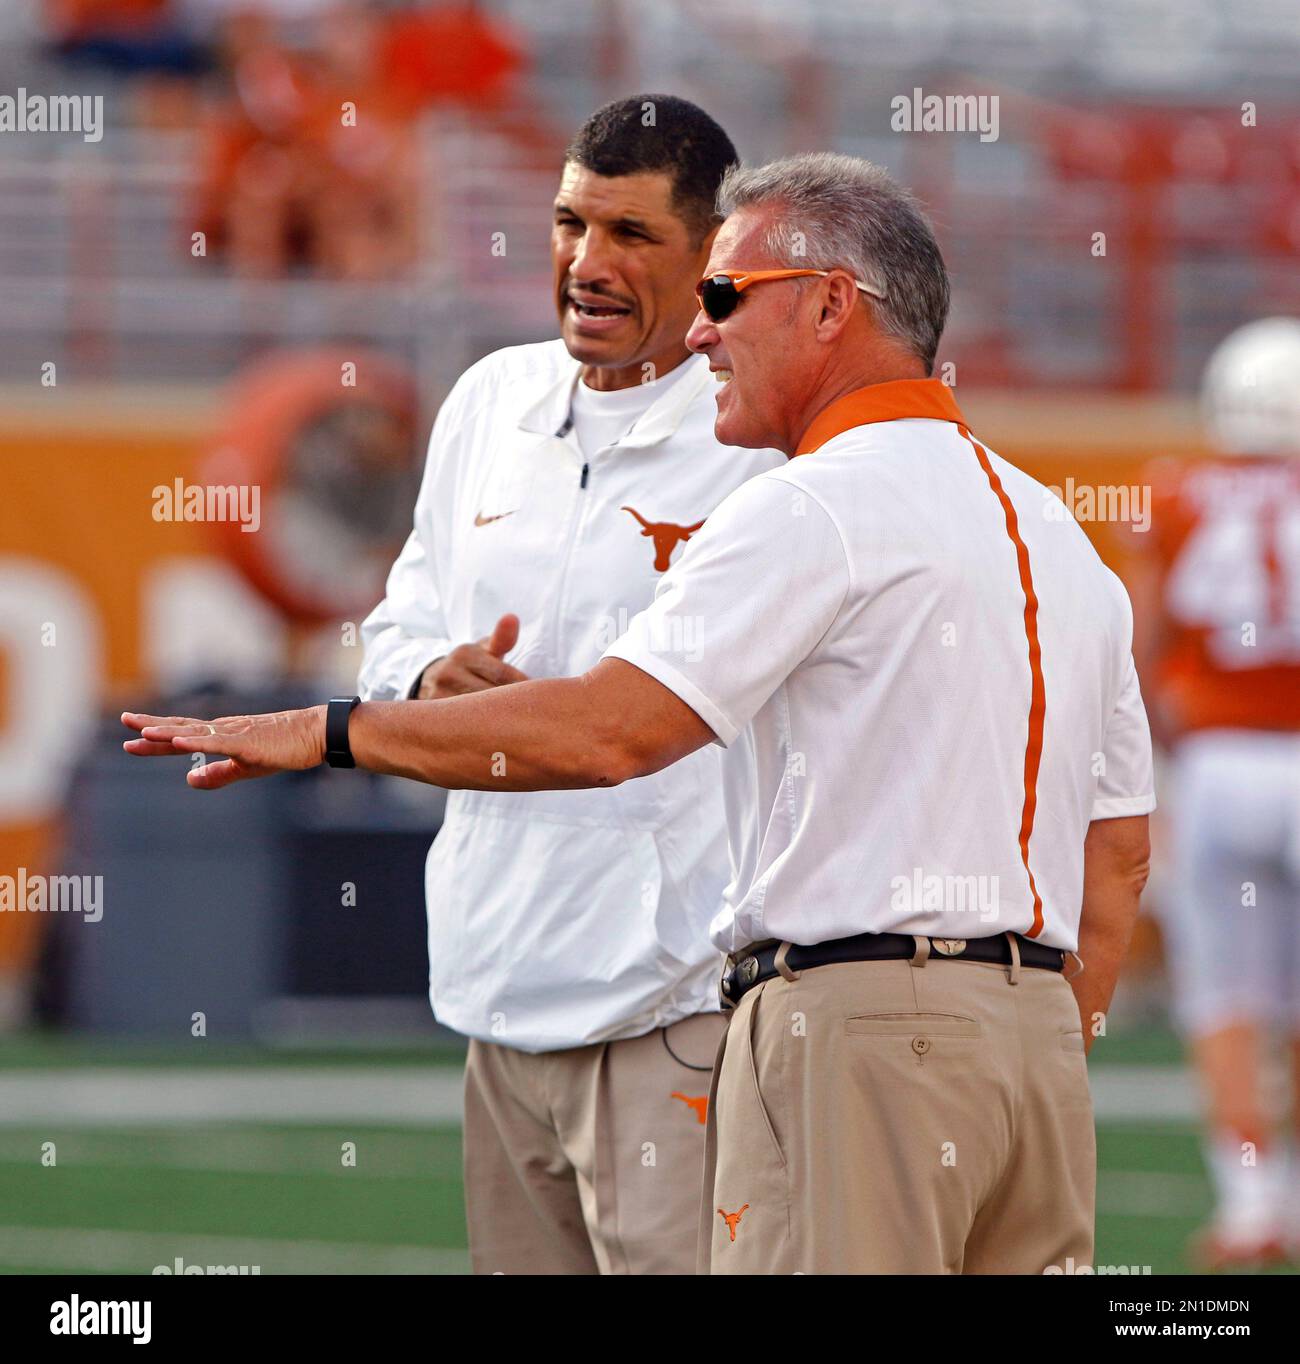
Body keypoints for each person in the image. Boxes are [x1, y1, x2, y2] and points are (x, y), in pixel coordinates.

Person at [123, 151, 1155, 1275]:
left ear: (827, 304)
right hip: (1035, 1038)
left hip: (853, 1026)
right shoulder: (1056, 531)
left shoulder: (807, 504)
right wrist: (1040, 1038)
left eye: (724, 294)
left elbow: (608, 732)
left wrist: (331, 731)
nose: (701, 332)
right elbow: (1117, 855)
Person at [350, 93, 778, 1274]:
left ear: (713, 256)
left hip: (677, 993)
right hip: (499, 973)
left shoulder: (762, 432)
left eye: (631, 234)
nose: (586, 264)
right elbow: (399, 617)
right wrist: (433, 675)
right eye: (568, 224)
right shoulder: (491, 398)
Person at [1132, 317, 1300, 1270]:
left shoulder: (1178, 490)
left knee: (1228, 996)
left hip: (1221, 765)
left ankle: (1249, 1204)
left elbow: (1146, 648)